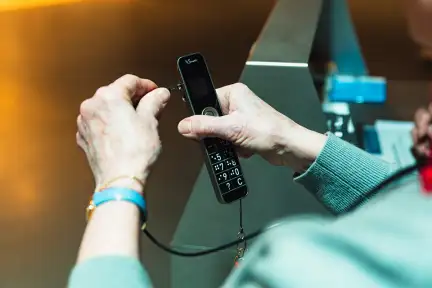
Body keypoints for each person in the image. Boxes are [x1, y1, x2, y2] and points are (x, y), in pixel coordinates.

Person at [68, 74, 432, 287]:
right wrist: (289, 138)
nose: (422, 117)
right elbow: (412, 210)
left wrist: (118, 181)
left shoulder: (299, 261)